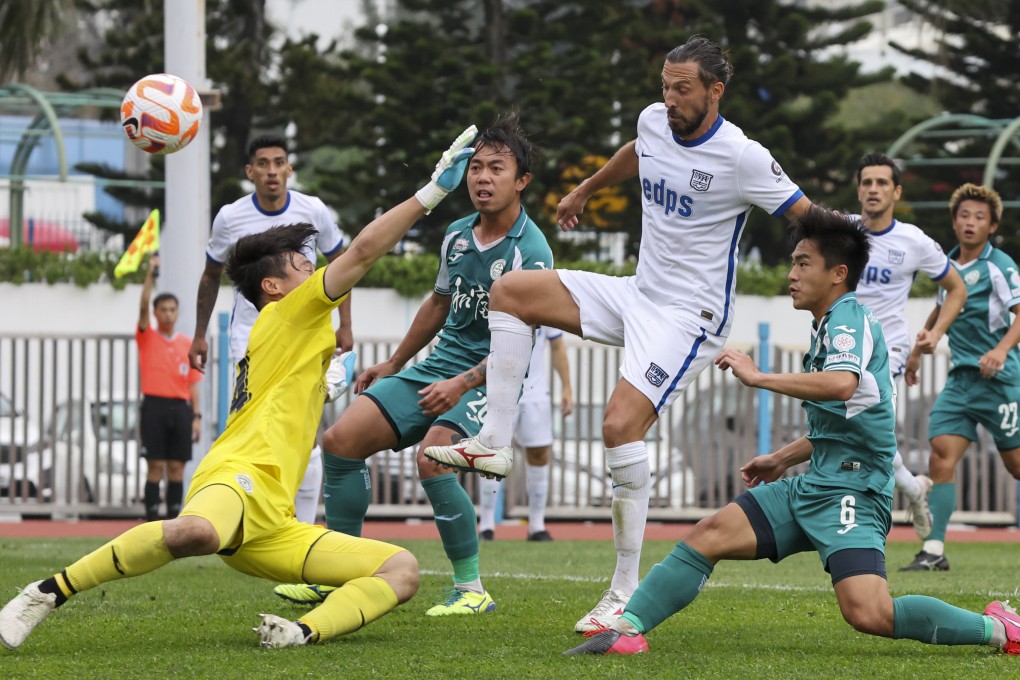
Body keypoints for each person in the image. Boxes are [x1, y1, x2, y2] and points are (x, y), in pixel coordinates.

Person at [0, 127, 477, 652]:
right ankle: (47, 592)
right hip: (236, 478)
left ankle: (301, 631)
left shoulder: (291, 330)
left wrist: (326, 380)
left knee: (402, 569)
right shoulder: (287, 312)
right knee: (196, 534)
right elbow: (362, 251)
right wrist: (431, 194)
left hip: (275, 522)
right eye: (301, 263)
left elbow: (291, 389)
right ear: (272, 288)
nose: (313, 266)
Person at [425, 35, 811, 632]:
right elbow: (638, 149)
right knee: (513, 292)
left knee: (618, 426)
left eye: (683, 88)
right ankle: (494, 442)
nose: (671, 98)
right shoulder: (655, 122)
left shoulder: (743, 156)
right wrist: (586, 188)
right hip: (638, 294)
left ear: (716, 91)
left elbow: (805, 216)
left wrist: (835, 280)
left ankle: (623, 592)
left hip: (691, 319)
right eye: (665, 85)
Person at [564, 207, 1020, 657]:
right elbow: (846, 419)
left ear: (838, 273)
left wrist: (758, 376)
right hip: (816, 482)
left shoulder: (849, 319)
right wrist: (782, 458)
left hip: (855, 491)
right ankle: (628, 629)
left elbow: (843, 384)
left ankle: (999, 629)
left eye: (804, 263)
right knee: (709, 534)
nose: (792, 274)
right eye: (793, 262)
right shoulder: (827, 325)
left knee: (869, 613)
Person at [271, 115, 553, 615]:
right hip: (438, 366)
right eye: (475, 168)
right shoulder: (457, 235)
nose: (482, 179)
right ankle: (338, 573)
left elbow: (522, 345)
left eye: (496, 169)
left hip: (490, 376)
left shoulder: (531, 251)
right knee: (339, 442)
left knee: (432, 457)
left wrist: (462, 382)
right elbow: (438, 304)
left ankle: (471, 590)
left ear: (522, 180)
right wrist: (394, 363)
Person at [189, 134, 354, 526]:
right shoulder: (230, 217)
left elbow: (341, 264)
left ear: (289, 168)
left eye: (279, 162)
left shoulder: (312, 210)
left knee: (306, 428)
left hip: (306, 337)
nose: (272, 171)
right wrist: (198, 334)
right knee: (253, 426)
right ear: (250, 172)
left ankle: (303, 525)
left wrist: (345, 324)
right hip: (252, 337)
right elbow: (211, 274)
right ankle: (244, 514)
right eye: (262, 164)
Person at [899, 183, 1020, 572]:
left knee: (1017, 467)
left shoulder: (1000, 265)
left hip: (1001, 381)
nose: (970, 223)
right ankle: (934, 550)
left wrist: (1000, 350)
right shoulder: (948, 264)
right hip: (961, 382)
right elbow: (940, 311)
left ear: (992, 226)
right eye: (964, 216)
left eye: (979, 217)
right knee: (940, 456)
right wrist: (917, 351)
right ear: (954, 222)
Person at [852, 152, 967, 539]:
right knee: (865, 436)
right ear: (858, 190)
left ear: (896, 191)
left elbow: (956, 288)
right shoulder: (841, 233)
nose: (873, 189)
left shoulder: (913, 240)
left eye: (882, 182)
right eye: (867, 182)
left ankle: (869, 528)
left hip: (889, 351)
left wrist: (933, 335)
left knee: (870, 431)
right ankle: (914, 488)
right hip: (840, 350)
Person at [477, 326, 574, 542]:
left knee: (539, 454)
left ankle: (536, 526)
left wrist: (567, 387)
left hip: (535, 391)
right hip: (499, 388)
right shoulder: (496, 295)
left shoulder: (547, 297)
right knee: (491, 453)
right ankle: (486, 525)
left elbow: (557, 345)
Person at [136, 253, 202, 521]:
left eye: (172, 309)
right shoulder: (147, 337)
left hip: (181, 409)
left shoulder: (186, 343)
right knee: (155, 467)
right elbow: (142, 306)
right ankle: (151, 517)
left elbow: (194, 383)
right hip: (154, 406)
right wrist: (151, 273)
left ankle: (175, 518)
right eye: (163, 309)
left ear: (178, 312)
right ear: (155, 313)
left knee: (177, 468)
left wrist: (196, 416)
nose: (168, 314)